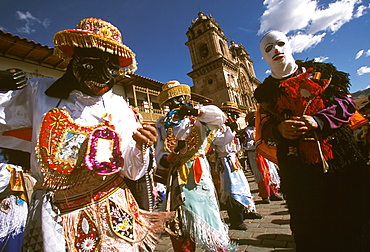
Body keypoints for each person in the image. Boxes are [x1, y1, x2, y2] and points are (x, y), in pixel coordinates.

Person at [0, 18, 167, 251]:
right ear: (75, 59)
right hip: (55, 217)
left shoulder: (119, 106)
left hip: (113, 211)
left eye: (111, 68)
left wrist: (141, 147)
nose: (103, 75)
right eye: (93, 64)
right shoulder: (38, 92)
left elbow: (132, 169)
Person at [254, 30, 370, 252]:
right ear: (264, 56)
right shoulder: (264, 93)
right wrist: (279, 130)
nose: (276, 50)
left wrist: (319, 121)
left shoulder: (322, 73)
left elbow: (346, 104)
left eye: (280, 44)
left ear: (288, 46)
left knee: (355, 224)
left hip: (342, 163)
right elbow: (265, 128)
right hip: (299, 173)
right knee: (312, 231)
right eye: (268, 48)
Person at [155, 81, 235, 252]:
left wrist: (194, 111)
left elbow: (219, 118)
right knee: (179, 218)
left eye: (178, 98)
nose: (175, 103)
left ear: (185, 98)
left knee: (207, 214)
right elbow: (160, 154)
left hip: (198, 172)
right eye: (171, 101)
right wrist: (171, 156)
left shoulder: (199, 119)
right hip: (176, 175)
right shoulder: (163, 124)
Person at [212, 102, 262, 231]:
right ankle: (236, 219)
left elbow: (236, 145)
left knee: (243, 186)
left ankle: (247, 209)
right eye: (231, 113)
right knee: (231, 189)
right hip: (226, 161)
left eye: (235, 113)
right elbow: (220, 142)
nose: (233, 116)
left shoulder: (229, 127)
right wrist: (230, 130)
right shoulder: (217, 127)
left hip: (234, 160)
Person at [243, 112, 282, 204]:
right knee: (262, 175)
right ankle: (265, 195)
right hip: (256, 155)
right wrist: (257, 143)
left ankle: (273, 193)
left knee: (271, 173)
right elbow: (245, 145)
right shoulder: (246, 131)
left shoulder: (261, 128)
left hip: (265, 153)